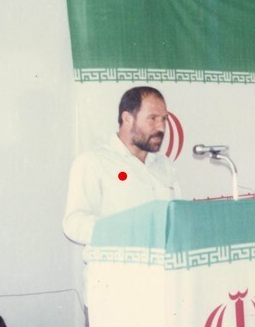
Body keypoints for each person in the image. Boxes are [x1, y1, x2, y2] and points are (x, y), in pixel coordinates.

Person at [63, 85, 181, 246]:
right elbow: (74, 223)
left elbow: (177, 218)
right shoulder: (93, 161)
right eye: (152, 118)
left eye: (164, 119)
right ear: (127, 118)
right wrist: (126, 231)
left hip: (163, 262)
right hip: (117, 262)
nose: (161, 127)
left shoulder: (165, 165)